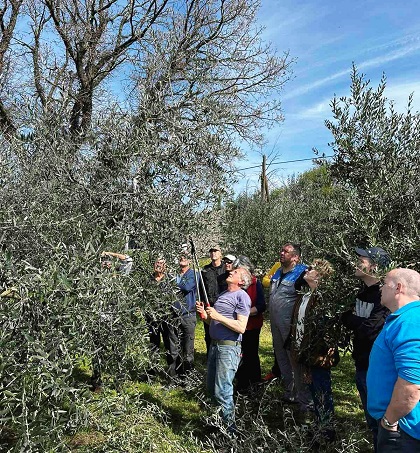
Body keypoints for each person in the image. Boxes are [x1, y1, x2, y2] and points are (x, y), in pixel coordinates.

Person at [341, 246, 390, 449]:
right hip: (361, 362)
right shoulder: (363, 293)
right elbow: (346, 317)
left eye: (362, 260)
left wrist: (353, 319)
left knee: (381, 423)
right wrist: (356, 320)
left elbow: (370, 330)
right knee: (371, 422)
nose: (356, 263)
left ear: (374, 266)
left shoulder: (383, 296)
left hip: (376, 368)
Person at [367, 268, 420, 452]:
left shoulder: (410, 321)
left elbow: (412, 385)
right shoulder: (404, 318)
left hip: (402, 431)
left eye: (385, 283)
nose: (381, 288)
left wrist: (389, 422)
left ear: (398, 288)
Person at [196, 267, 252, 432]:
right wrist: (206, 317)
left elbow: (241, 327)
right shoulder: (222, 295)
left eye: (235, 273)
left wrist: (217, 316)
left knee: (222, 391)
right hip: (214, 346)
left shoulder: (242, 297)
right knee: (212, 389)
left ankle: (230, 431)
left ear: (241, 281)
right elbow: (214, 322)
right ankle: (216, 426)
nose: (231, 272)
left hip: (228, 349)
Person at [288, 259, 338, 438]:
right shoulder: (304, 294)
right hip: (304, 353)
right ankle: (318, 427)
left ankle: (327, 433)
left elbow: (324, 334)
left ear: (321, 276)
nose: (307, 270)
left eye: (312, 269)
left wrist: (311, 357)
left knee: (322, 392)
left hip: (319, 356)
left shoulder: (324, 299)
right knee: (313, 392)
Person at [269, 243, 308, 406]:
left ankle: (302, 394)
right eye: (281, 250)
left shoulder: (302, 272)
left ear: (296, 257)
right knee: (280, 355)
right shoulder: (278, 271)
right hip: (274, 322)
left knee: (294, 357)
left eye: (286, 251)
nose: (281, 253)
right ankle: (289, 390)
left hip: (290, 324)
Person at [233, 256, 266, 393]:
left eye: (239, 269)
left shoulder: (255, 283)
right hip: (236, 326)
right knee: (238, 355)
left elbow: (261, 305)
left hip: (252, 326)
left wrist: (244, 313)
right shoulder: (234, 284)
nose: (237, 272)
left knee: (251, 355)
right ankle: (241, 384)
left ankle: (254, 383)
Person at [165, 253, 197, 378]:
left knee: (187, 349)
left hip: (188, 316)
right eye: (180, 257)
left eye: (185, 257)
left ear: (189, 261)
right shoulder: (174, 274)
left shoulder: (193, 274)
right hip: (173, 316)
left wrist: (173, 280)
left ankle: (187, 378)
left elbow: (186, 287)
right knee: (173, 349)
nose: (183, 259)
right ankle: (173, 377)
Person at [201, 245, 226, 353]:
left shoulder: (227, 269)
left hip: (224, 306)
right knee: (209, 333)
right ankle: (210, 355)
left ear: (221, 253)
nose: (213, 253)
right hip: (209, 305)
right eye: (211, 251)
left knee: (223, 331)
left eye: (216, 251)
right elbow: (202, 288)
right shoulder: (205, 270)